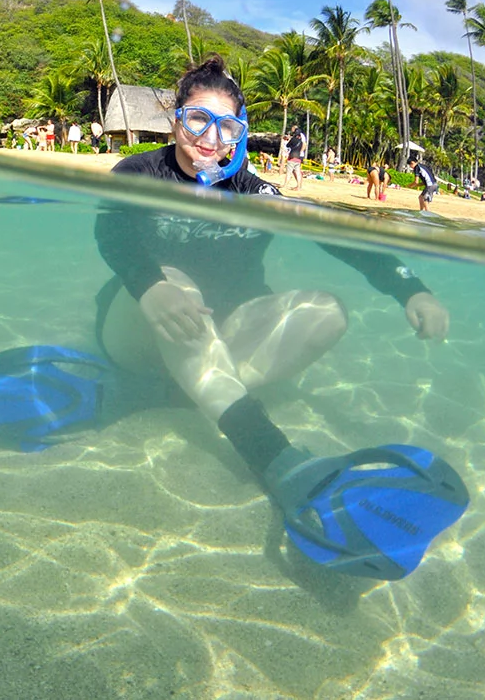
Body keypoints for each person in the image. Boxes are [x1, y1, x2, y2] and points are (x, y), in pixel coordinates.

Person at [94, 57, 452, 562]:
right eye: (197, 119)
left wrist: (410, 287)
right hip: (134, 332)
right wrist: (149, 284)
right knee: (180, 287)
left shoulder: (253, 192)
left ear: (239, 135)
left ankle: (184, 393)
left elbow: (329, 234)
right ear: (175, 118)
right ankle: (272, 454)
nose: (209, 139)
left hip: (211, 342)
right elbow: (111, 231)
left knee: (327, 311)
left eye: (227, 128)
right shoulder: (138, 172)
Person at [283, 125, 305, 190]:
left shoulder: (293, 139)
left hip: (292, 158)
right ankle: (298, 186)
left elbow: (287, 145)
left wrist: (289, 139)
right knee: (298, 173)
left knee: (289, 173)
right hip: (298, 158)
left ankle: (285, 185)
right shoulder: (301, 142)